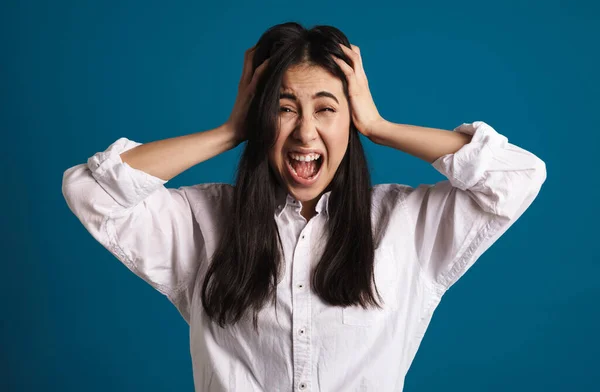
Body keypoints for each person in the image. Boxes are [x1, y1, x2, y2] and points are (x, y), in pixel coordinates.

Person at [62, 22, 547, 392]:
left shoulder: (404, 226)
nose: (305, 132)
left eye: (326, 108)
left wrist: (379, 125)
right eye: (286, 106)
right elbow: (92, 190)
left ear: (350, 118)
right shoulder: (202, 223)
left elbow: (518, 175)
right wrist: (231, 131)